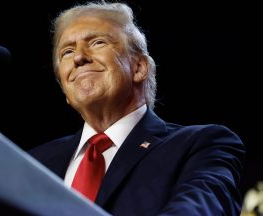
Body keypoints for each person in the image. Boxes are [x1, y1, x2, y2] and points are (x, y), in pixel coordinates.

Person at [29, 1, 245, 215]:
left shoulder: (200, 145)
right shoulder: (33, 163)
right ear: (65, 89)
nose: (78, 57)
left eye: (98, 42)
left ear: (139, 68)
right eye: (67, 51)